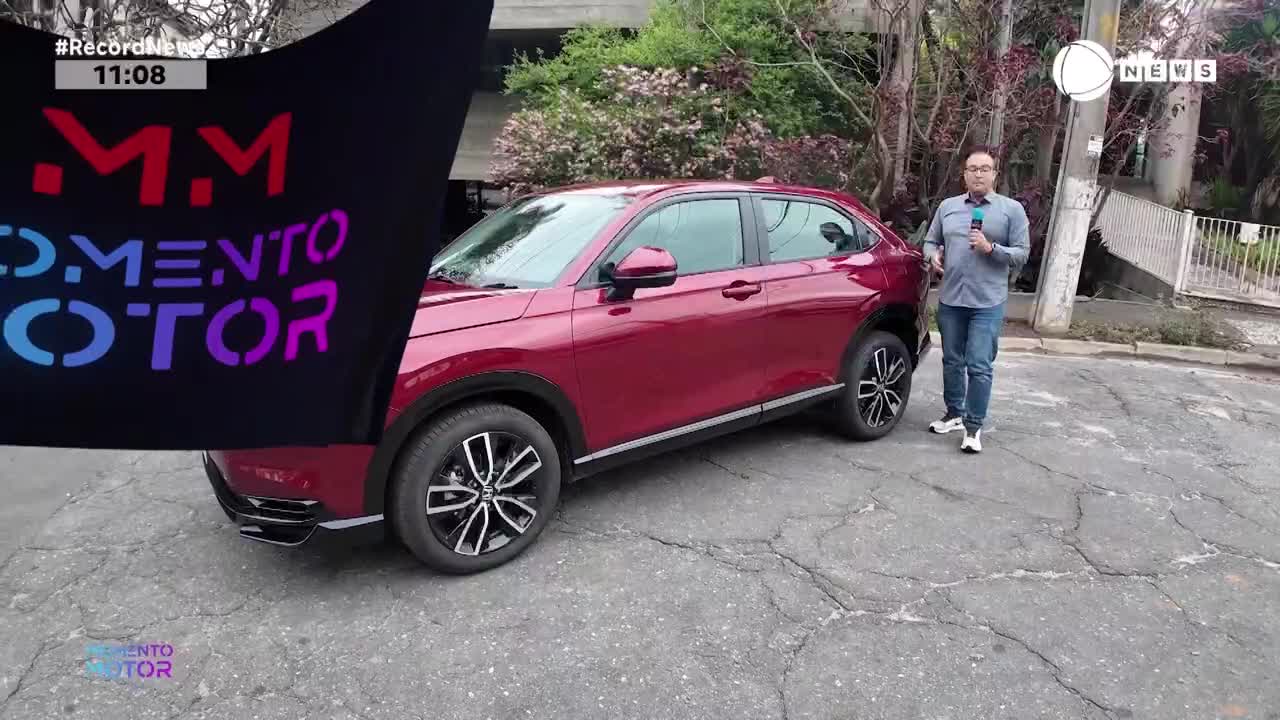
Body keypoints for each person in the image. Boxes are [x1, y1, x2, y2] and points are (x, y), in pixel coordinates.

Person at [922, 147, 1030, 453]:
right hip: (952, 298)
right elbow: (931, 240)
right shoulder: (948, 207)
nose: (978, 174)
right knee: (952, 361)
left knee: (979, 366)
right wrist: (933, 256)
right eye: (972, 169)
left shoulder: (1011, 210)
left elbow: (1022, 253)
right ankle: (954, 413)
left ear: (995, 174)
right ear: (964, 174)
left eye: (985, 168)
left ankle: (973, 427)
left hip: (987, 301)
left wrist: (991, 248)